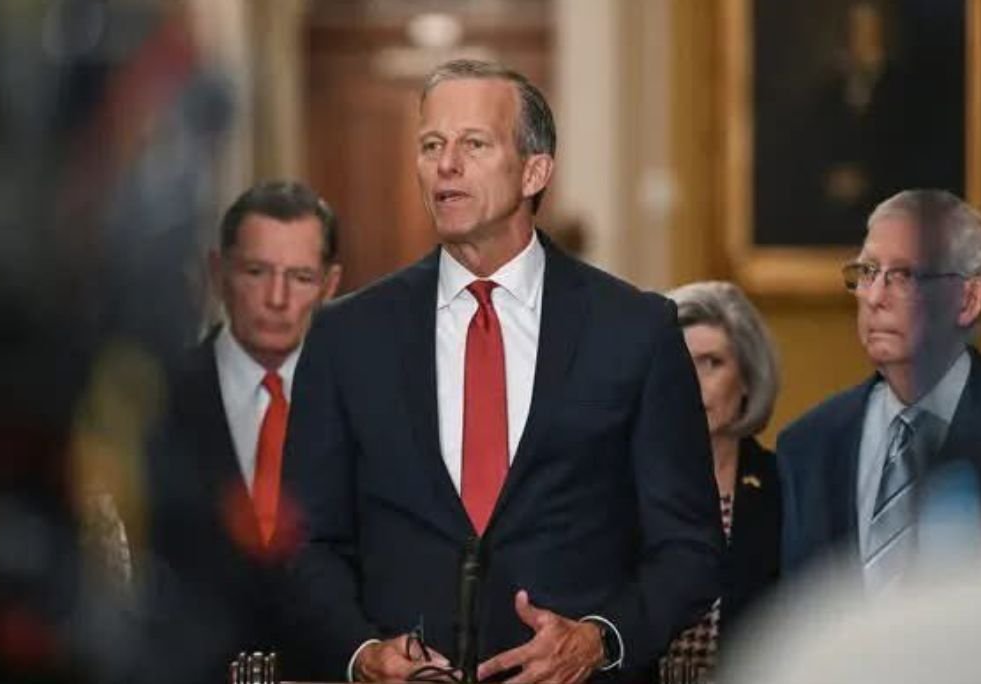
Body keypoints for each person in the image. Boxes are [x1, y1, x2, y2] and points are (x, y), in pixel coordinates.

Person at [282, 59, 722, 684]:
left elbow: (689, 550)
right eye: (432, 144)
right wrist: (361, 655)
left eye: (474, 144)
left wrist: (599, 642)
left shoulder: (636, 331)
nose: (446, 165)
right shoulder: (346, 336)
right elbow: (305, 544)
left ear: (535, 170)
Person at [146, 180, 341, 681]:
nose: (277, 298)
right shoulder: (158, 398)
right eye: (257, 272)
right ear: (219, 273)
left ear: (329, 284)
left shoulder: (360, 402)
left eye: (300, 277)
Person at [778, 188, 981, 593]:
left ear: (969, 299)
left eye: (905, 276)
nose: (873, 297)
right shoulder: (807, 447)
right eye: (868, 272)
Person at [659, 282, 781, 682]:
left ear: (747, 378)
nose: (692, 382)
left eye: (711, 363)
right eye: (680, 362)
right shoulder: (613, 485)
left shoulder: (786, 488)